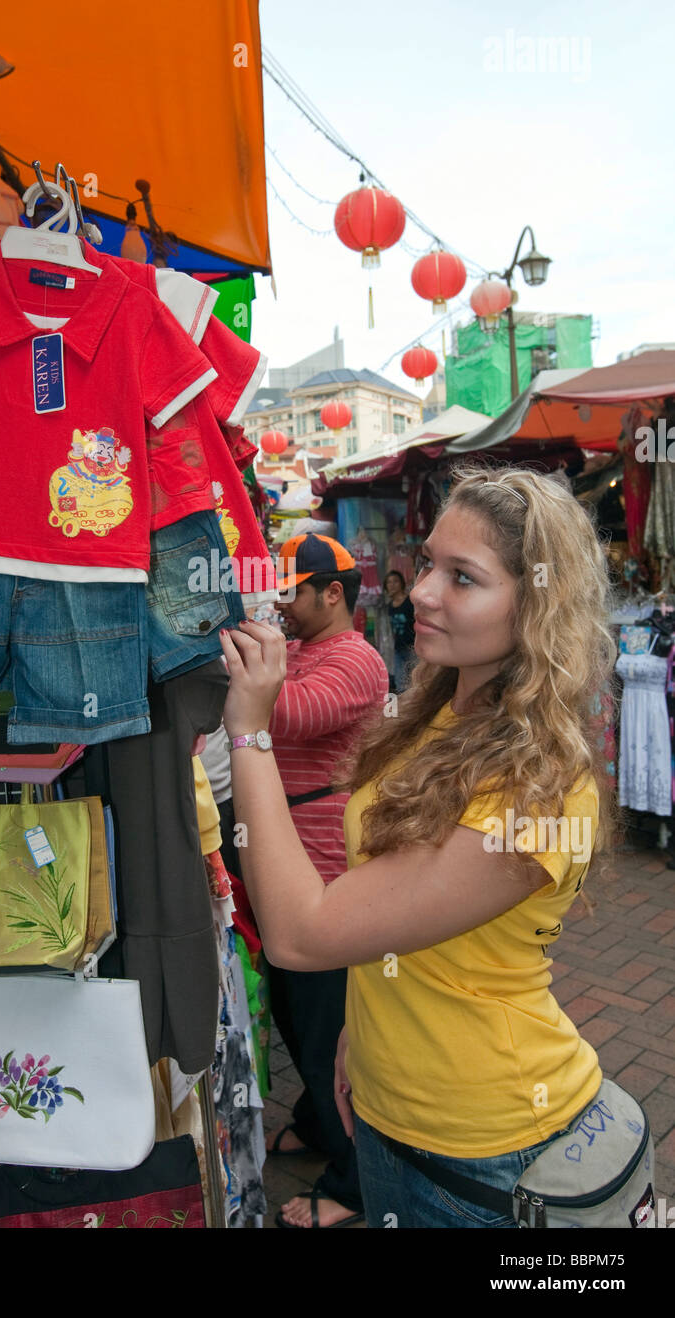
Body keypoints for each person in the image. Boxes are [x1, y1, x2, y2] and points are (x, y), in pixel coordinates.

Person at [218, 466, 615, 1228]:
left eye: (463, 578)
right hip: (391, 1110)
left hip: (485, 1141)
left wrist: (251, 729)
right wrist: (360, 1046)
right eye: (430, 562)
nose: (422, 589)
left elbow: (305, 934)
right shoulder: (446, 708)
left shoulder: (537, 784)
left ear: (536, 606)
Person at [260, 534, 390, 1229]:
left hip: (330, 879)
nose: (283, 602)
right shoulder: (305, 649)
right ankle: (317, 1123)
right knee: (294, 1011)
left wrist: (250, 662)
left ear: (331, 592)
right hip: (293, 871)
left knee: (324, 1029)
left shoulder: (356, 659)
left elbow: (285, 713)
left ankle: (357, 1179)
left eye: (292, 590)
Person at [383, 569, 415, 692]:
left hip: (413, 648)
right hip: (399, 648)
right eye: (389, 582)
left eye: (395, 581)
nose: (392, 585)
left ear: (402, 583)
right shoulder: (390, 606)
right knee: (400, 683)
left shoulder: (410, 602)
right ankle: (402, 710)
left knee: (415, 682)